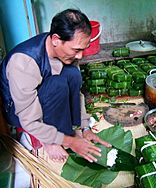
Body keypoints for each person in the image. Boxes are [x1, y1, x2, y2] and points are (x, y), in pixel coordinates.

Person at [0, 9, 111, 163]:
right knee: (57, 85)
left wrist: (85, 127)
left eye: (82, 50)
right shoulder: (24, 62)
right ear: (56, 40)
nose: (80, 55)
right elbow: (29, 120)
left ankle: (70, 131)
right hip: (20, 112)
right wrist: (69, 141)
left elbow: (76, 92)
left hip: (47, 96)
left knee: (73, 74)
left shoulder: (66, 51)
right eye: (76, 50)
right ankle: (50, 141)